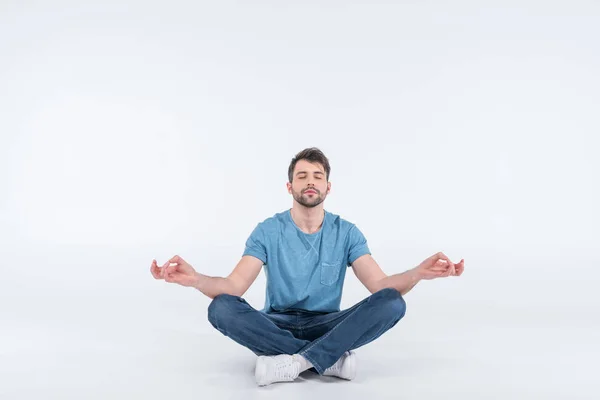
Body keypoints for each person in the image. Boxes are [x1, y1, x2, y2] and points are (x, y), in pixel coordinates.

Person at [150, 147, 465, 386]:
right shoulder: (268, 230)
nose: (310, 182)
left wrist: (417, 275)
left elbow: (379, 286)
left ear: (329, 187)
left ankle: (293, 362)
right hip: (275, 324)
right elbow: (234, 287)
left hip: (328, 323)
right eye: (302, 176)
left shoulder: (347, 232)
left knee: (393, 302)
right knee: (221, 308)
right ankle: (326, 360)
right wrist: (195, 280)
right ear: (290, 187)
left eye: (317, 176)